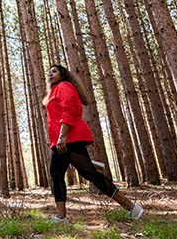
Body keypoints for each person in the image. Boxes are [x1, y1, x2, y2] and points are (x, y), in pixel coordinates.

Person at [43, 64, 144, 223]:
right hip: (61, 141)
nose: (50, 74)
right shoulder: (54, 91)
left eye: (54, 71)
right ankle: (61, 217)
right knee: (59, 174)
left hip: (69, 138)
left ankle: (131, 207)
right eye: (49, 72)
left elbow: (68, 110)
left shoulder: (64, 86)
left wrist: (63, 135)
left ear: (63, 74)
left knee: (88, 174)